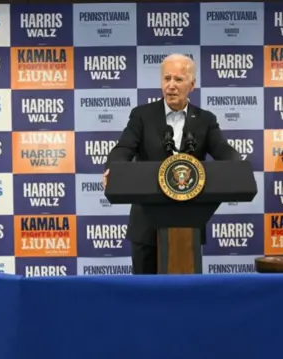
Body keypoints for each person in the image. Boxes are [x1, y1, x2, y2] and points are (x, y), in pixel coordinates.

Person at [102, 53, 241, 275]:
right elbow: (124, 148)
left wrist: (238, 165)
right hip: (146, 222)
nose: (171, 86)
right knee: (145, 296)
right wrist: (114, 168)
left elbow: (222, 149)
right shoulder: (142, 115)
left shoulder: (205, 120)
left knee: (186, 294)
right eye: (167, 79)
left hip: (188, 222)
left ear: (192, 85)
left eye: (178, 79)